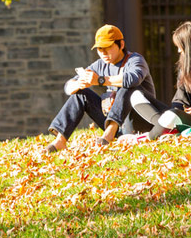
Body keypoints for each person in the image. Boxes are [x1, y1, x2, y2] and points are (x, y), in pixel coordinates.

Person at [46, 24, 156, 152]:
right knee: (80, 94)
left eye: (107, 47)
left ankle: (109, 135)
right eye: (99, 49)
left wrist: (100, 80)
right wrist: (78, 84)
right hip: (115, 123)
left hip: (139, 122)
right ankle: (60, 141)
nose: (103, 53)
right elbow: (68, 86)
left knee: (127, 85)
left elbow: (133, 79)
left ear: (121, 45)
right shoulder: (100, 65)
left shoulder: (135, 60)